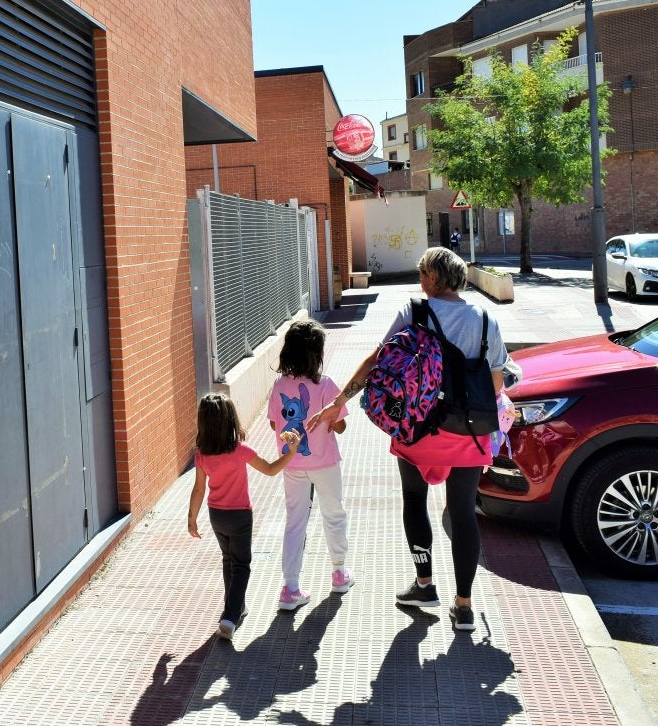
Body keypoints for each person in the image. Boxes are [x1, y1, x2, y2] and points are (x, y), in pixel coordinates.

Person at [310, 246, 507, 633]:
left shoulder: (414, 312)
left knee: (415, 499)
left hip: (418, 430)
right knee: (463, 512)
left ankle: (424, 584)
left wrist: (339, 401)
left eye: (422, 274)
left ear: (433, 277)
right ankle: (464, 607)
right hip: (469, 433)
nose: (420, 280)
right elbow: (497, 380)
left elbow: (377, 362)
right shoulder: (485, 319)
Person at [188, 393, 302, 640]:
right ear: (230, 420)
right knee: (241, 565)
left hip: (216, 515)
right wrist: (291, 452)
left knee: (228, 560)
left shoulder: (201, 455)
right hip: (240, 515)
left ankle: (236, 606)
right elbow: (271, 470)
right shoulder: (240, 451)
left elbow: (199, 489)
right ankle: (229, 618)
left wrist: (191, 518)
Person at [267, 319, 353, 612]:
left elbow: (272, 423)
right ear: (317, 353)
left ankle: (290, 588)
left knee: (295, 521)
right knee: (334, 513)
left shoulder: (279, 385)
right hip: (325, 463)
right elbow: (339, 426)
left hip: (291, 464)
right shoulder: (326, 385)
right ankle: (339, 572)